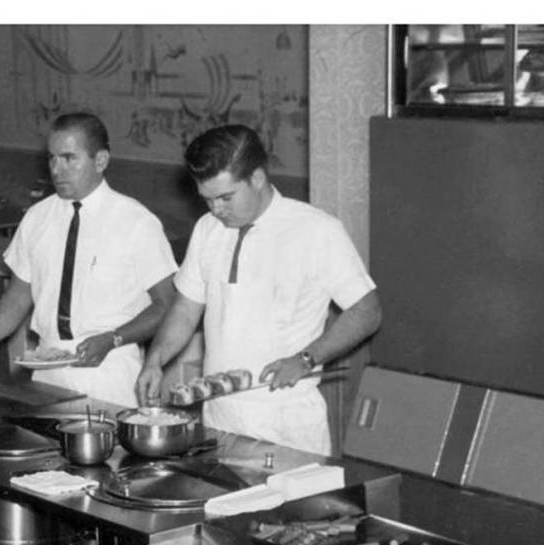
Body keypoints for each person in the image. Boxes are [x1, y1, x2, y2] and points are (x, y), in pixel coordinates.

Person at [136, 124, 382, 455]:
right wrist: (156, 359)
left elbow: (367, 311)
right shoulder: (208, 229)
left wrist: (307, 359)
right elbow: (185, 309)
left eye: (226, 197)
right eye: (207, 200)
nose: (216, 210)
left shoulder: (315, 230)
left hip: (285, 418)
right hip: (219, 416)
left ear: (257, 178)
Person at [0, 112, 177, 410]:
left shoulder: (136, 222)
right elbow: (18, 296)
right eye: (52, 159)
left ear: (100, 160)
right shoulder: (37, 217)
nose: (58, 169)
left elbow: (167, 304)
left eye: (69, 158)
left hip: (109, 370)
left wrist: (114, 339)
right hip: (47, 368)